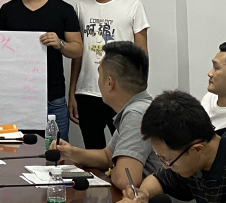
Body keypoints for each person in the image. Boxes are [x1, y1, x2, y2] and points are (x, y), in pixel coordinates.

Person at [120, 90, 226, 203]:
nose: (165, 166)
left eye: (167, 160)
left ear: (197, 149)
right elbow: (158, 179)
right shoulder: (193, 161)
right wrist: (143, 194)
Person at [0, 0, 82, 142]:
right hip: (15, 98)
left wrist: (59, 43)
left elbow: (78, 49)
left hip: (53, 98)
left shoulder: (63, 9)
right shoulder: (8, 10)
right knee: (16, 153)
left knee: (56, 152)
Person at [69, 0, 150, 149]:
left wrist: (139, 95)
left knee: (125, 150)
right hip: (87, 92)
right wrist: (72, 92)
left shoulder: (133, 6)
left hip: (121, 92)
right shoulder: (81, 6)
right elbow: (78, 54)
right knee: (93, 151)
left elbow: (142, 53)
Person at [54, 41, 160, 191]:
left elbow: (126, 180)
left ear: (110, 83)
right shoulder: (138, 108)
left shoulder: (137, 114)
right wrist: (72, 152)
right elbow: (107, 157)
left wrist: (113, 169)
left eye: (99, 74)